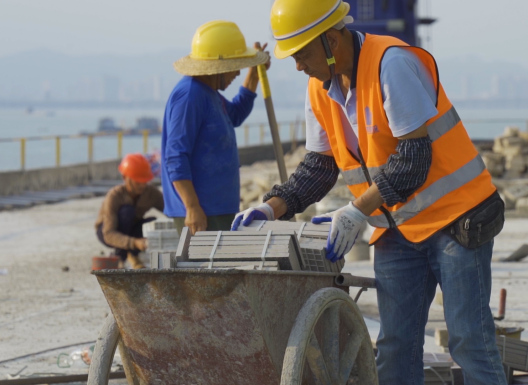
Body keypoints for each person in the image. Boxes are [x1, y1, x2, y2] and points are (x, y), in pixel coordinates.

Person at [232, 1, 507, 383]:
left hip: (455, 219)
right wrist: (270, 208)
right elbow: (321, 166)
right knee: (395, 346)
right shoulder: (319, 89)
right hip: (397, 230)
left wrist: (356, 210)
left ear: (331, 39)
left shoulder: (390, 64)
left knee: (469, 341)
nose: (297, 65)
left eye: (302, 54)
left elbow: (413, 158)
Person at [162, 20, 270, 235]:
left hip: (219, 209)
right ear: (217, 67)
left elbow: (235, 115)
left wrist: (254, 75)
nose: (237, 73)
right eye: (234, 66)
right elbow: (175, 156)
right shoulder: (190, 95)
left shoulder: (209, 93)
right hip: (202, 212)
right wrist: (192, 207)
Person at [95, 153, 164, 269]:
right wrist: (135, 243)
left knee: (152, 222)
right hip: (107, 232)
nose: (142, 186)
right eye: (137, 182)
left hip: (132, 228)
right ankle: (120, 257)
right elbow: (109, 234)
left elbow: (170, 209)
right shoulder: (115, 196)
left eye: (144, 181)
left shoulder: (152, 193)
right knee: (127, 212)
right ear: (125, 178)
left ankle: (133, 255)